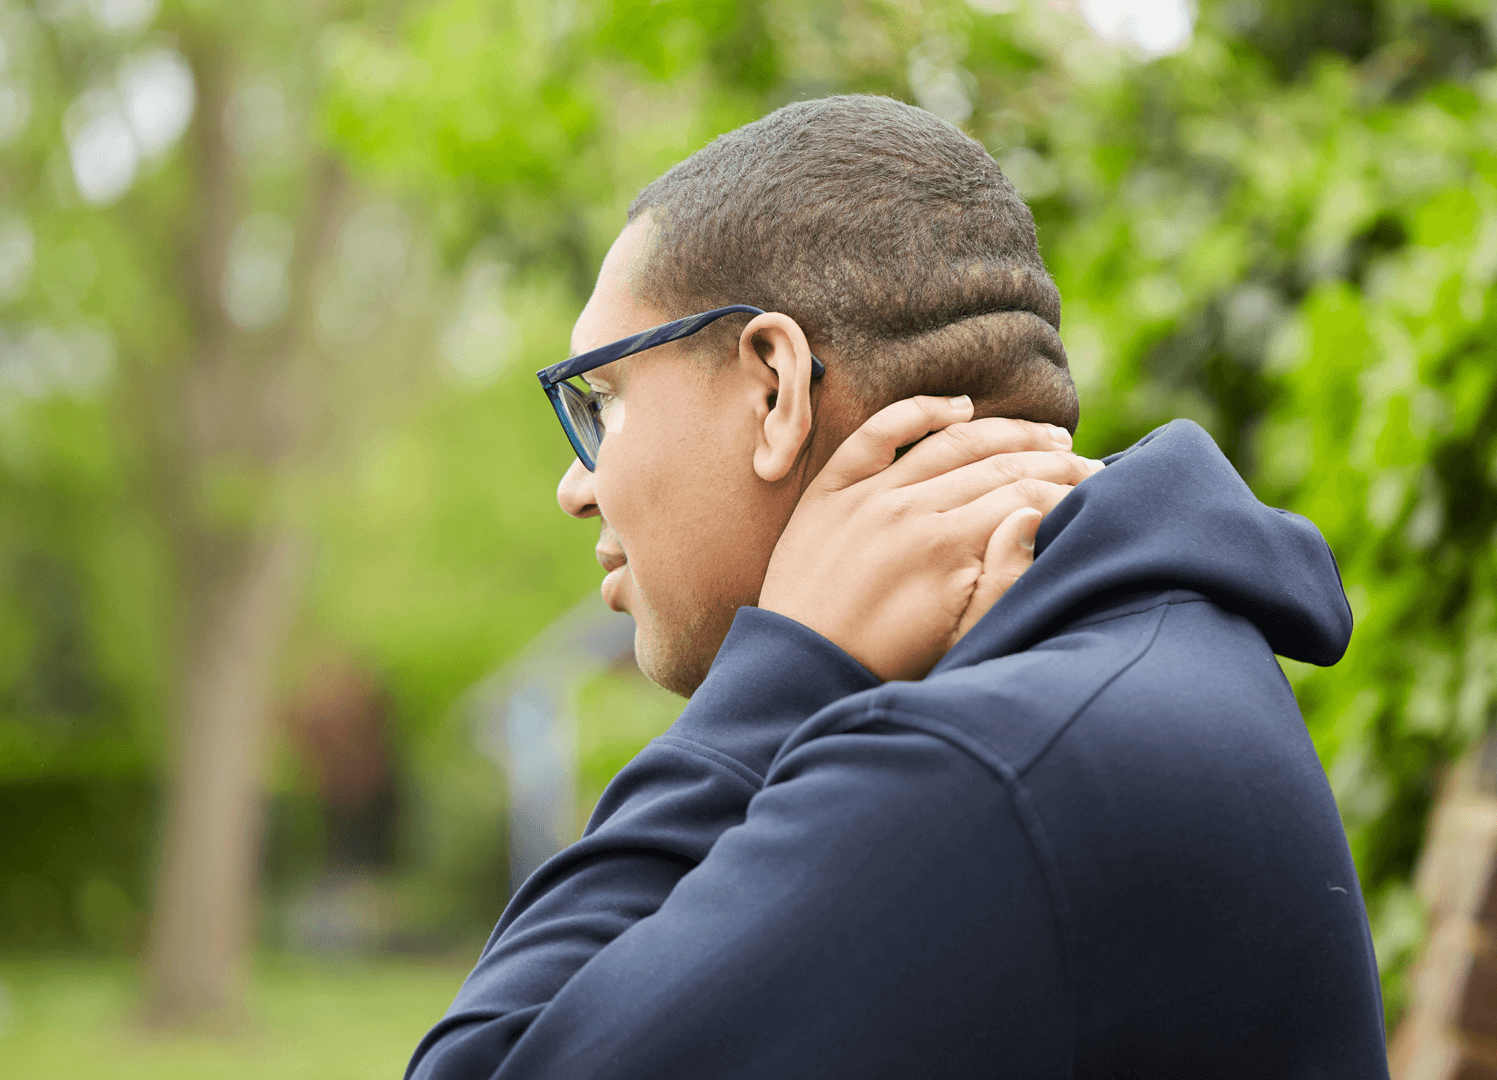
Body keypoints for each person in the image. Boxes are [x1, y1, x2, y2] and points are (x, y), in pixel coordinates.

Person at [408, 95, 1390, 1079]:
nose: (576, 488)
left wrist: (779, 674)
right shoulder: (1145, 662)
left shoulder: (976, 771)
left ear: (774, 389)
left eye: (603, 403)